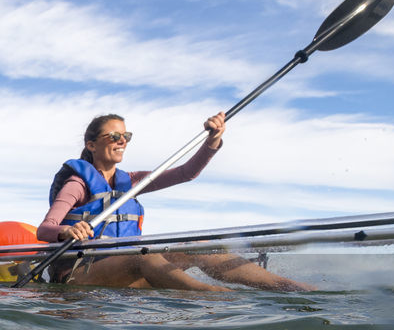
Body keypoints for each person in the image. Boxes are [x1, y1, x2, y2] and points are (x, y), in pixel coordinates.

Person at [36, 112, 312, 291]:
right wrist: (66, 230)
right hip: (80, 274)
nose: (122, 141)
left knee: (200, 246)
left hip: (124, 268)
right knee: (145, 255)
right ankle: (219, 299)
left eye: (126, 136)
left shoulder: (131, 182)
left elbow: (186, 173)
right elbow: (45, 229)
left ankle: (290, 287)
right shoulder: (78, 183)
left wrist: (212, 141)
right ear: (92, 144)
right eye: (114, 136)